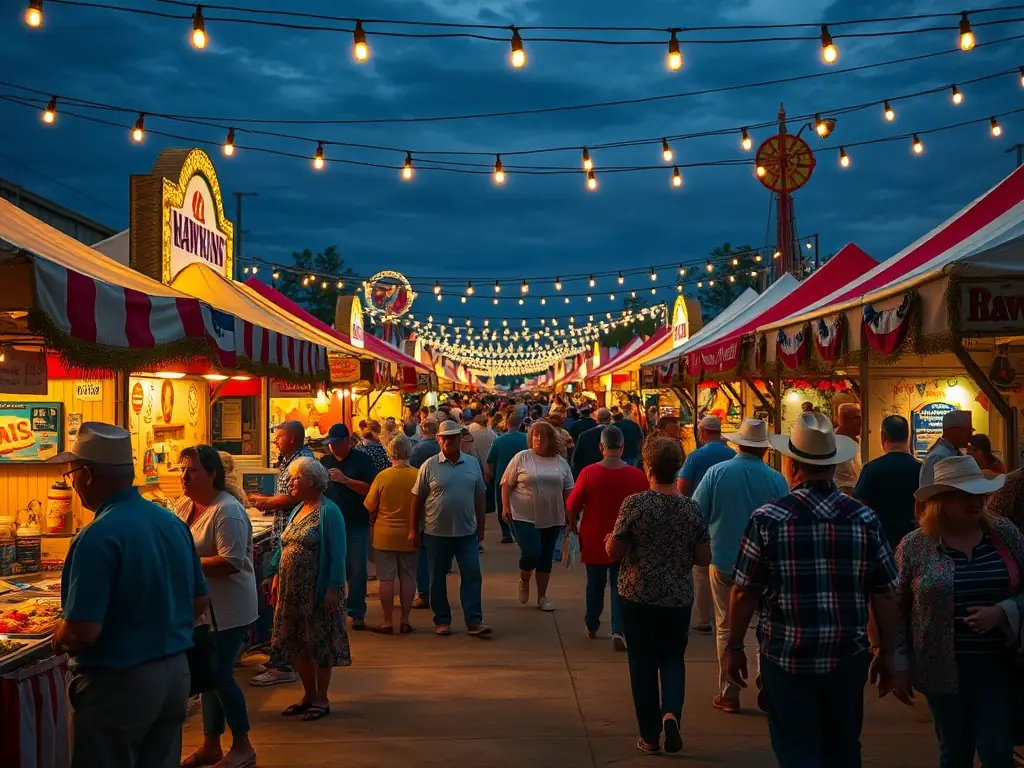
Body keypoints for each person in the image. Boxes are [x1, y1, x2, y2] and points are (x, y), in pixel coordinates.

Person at [725, 411, 900, 767]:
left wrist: (734, 646)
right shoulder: (864, 519)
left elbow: (744, 591)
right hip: (846, 657)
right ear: (834, 466)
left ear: (792, 465)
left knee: (796, 749)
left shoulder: (768, 519)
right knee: (843, 748)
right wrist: (888, 651)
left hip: (786, 658)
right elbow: (884, 593)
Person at [49, 423, 209, 768]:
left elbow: (82, 631)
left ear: (88, 474)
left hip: (118, 684)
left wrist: (57, 637)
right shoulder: (171, 523)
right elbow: (199, 602)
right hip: (175, 676)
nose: (71, 483)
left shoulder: (98, 536)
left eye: (71, 473)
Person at [894, 456, 1019, 767]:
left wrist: (1004, 611)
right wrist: (898, 662)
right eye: (965, 495)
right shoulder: (915, 546)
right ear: (941, 501)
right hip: (941, 668)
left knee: (997, 753)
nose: (976, 502)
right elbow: (896, 608)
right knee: (955, 751)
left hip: (999, 664)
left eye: (980, 494)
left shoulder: (1004, 534)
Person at [607, 437, 711, 755]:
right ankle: (671, 713)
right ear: (677, 466)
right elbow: (704, 557)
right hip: (677, 597)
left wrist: (609, 540)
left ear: (648, 467)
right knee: (673, 658)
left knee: (642, 663)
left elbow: (615, 551)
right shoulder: (691, 508)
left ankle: (649, 736)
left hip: (637, 594)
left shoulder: (635, 504)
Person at [692, 419, 788, 714]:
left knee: (725, 626)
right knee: (763, 625)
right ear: (764, 449)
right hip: (765, 564)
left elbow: (697, 513)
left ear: (738, 444)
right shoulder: (776, 479)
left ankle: (729, 692)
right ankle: (766, 679)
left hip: (724, 559)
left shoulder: (716, 473)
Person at [175, 446, 258, 768]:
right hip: (201, 610)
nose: (184, 476)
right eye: (182, 470)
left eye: (192, 470)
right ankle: (211, 744)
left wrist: (186, 564)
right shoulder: (185, 505)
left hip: (227, 610)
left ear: (212, 474)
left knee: (221, 676)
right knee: (207, 677)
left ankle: (243, 745)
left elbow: (231, 562)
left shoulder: (227, 511)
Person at [270, 457, 350, 722]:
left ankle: (321, 699)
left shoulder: (329, 512)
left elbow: (338, 554)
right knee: (298, 643)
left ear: (312, 482)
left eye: (297, 478)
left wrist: (333, 587)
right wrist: (275, 573)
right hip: (292, 592)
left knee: (320, 643)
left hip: (317, 591)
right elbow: (285, 545)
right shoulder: (298, 509)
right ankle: (308, 694)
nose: (291, 482)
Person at [566, 425, 648, 650]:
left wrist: (572, 523)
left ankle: (592, 623)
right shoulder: (637, 476)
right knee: (620, 585)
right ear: (623, 447)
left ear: (601, 447)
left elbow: (572, 504)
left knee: (595, 584)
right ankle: (618, 629)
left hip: (594, 537)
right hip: (626, 540)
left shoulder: (589, 473)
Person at [411, 420, 491, 637]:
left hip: (467, 532)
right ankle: (442, 620)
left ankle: (474, 621)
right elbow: (417, 500)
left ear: (459, 439)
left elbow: (480, 496)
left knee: (472, 574)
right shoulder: (429, 465)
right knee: (437, 579)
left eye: (452, 437)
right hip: (436, 533)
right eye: (444, 438)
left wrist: (481, 526)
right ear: (438, 440)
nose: (448, 441)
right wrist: (413, 529)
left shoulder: (472, 463)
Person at [249, 420, 313, 685]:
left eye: (279, 437)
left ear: (293, 439)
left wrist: (266, 502)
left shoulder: (302, 462)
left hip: (291, 543)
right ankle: (282, 657)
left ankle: (283, 663)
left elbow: (293, 497)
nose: (275, 441)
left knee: (284, 603)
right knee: (279, 600)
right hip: (283, 539)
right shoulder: (289, 460)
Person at [501, 421, 574, 612]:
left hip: (553, 515)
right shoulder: (522, 457)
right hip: (524, 515)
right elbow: (507, 483)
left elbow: (568, 489)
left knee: (546, 557)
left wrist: (571, 514)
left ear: (551, 439)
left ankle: (542, 596)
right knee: (532, 552)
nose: (538, 439)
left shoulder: (560, 462)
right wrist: (505, 506)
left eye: (542, 436)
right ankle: (524, 578)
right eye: (535, 435)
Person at [677, 415, 734, 635]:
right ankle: (727, 615)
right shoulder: (732, 455)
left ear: (702, 432)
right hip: (726, 516)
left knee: (701, 571)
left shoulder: (696, 456)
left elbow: (682, 487)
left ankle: (703, 618)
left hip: (701, 517)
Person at [320, 424, 378, 631]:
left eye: (336, 443)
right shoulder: (324, 462)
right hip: (330, 524)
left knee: (357, 570)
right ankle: (333, 611)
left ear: (347, 441)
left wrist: (346, 480)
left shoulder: (363, 460)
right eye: (330, 444)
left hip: (356, 523)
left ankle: (356, 612)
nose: (332, 447)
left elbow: (370, 490)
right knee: (332, 568)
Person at [362, 434, 419, 635]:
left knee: (386, 579)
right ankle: (405, 620)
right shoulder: (417, 475)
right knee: (408, 577)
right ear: (409, 452)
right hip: (410, 533)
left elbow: (370, 505)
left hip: (384, 534)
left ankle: (387, 621)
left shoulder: (382, 476)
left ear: (389, 453)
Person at [853, 414, 922, 549]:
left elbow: (858, 506)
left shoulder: (871, 469)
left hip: (879, 542)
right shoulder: (921, 469)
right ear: (908, 436)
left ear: (883, 437)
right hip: (914, 543)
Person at [409, 418, 441, 608]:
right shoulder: (439, 447)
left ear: (422, 430)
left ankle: (424, 593)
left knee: (422, 551)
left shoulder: (418, 450)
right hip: (441, 503)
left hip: (423, 502)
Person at [486, 412, 529, 544]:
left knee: (503, 507)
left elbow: (489, 460)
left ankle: (506, 534)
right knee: (522, 506)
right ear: (520, 424)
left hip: (502, 478)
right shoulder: (527, 439)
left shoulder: (499, 440)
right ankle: (521, 532)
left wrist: (490, 475)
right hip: (523, 478)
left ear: (506, 425)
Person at [921, 409, 973, 487]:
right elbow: (929, 490)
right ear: (954, 432)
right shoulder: (940, 456)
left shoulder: (949, 452)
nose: (971, 435)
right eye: (968, 431)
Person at [571, 407, 612, 477]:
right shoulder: (618, 433)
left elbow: (575, 459)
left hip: (590, 472)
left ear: (597, 420)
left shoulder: (584, 435)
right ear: (610, 419)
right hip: (612, 471)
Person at [834, 403, 863, 494]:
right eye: (857, 418)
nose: (861, 422)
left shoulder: (858, 440)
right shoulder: (833, 444)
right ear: (844, 420)